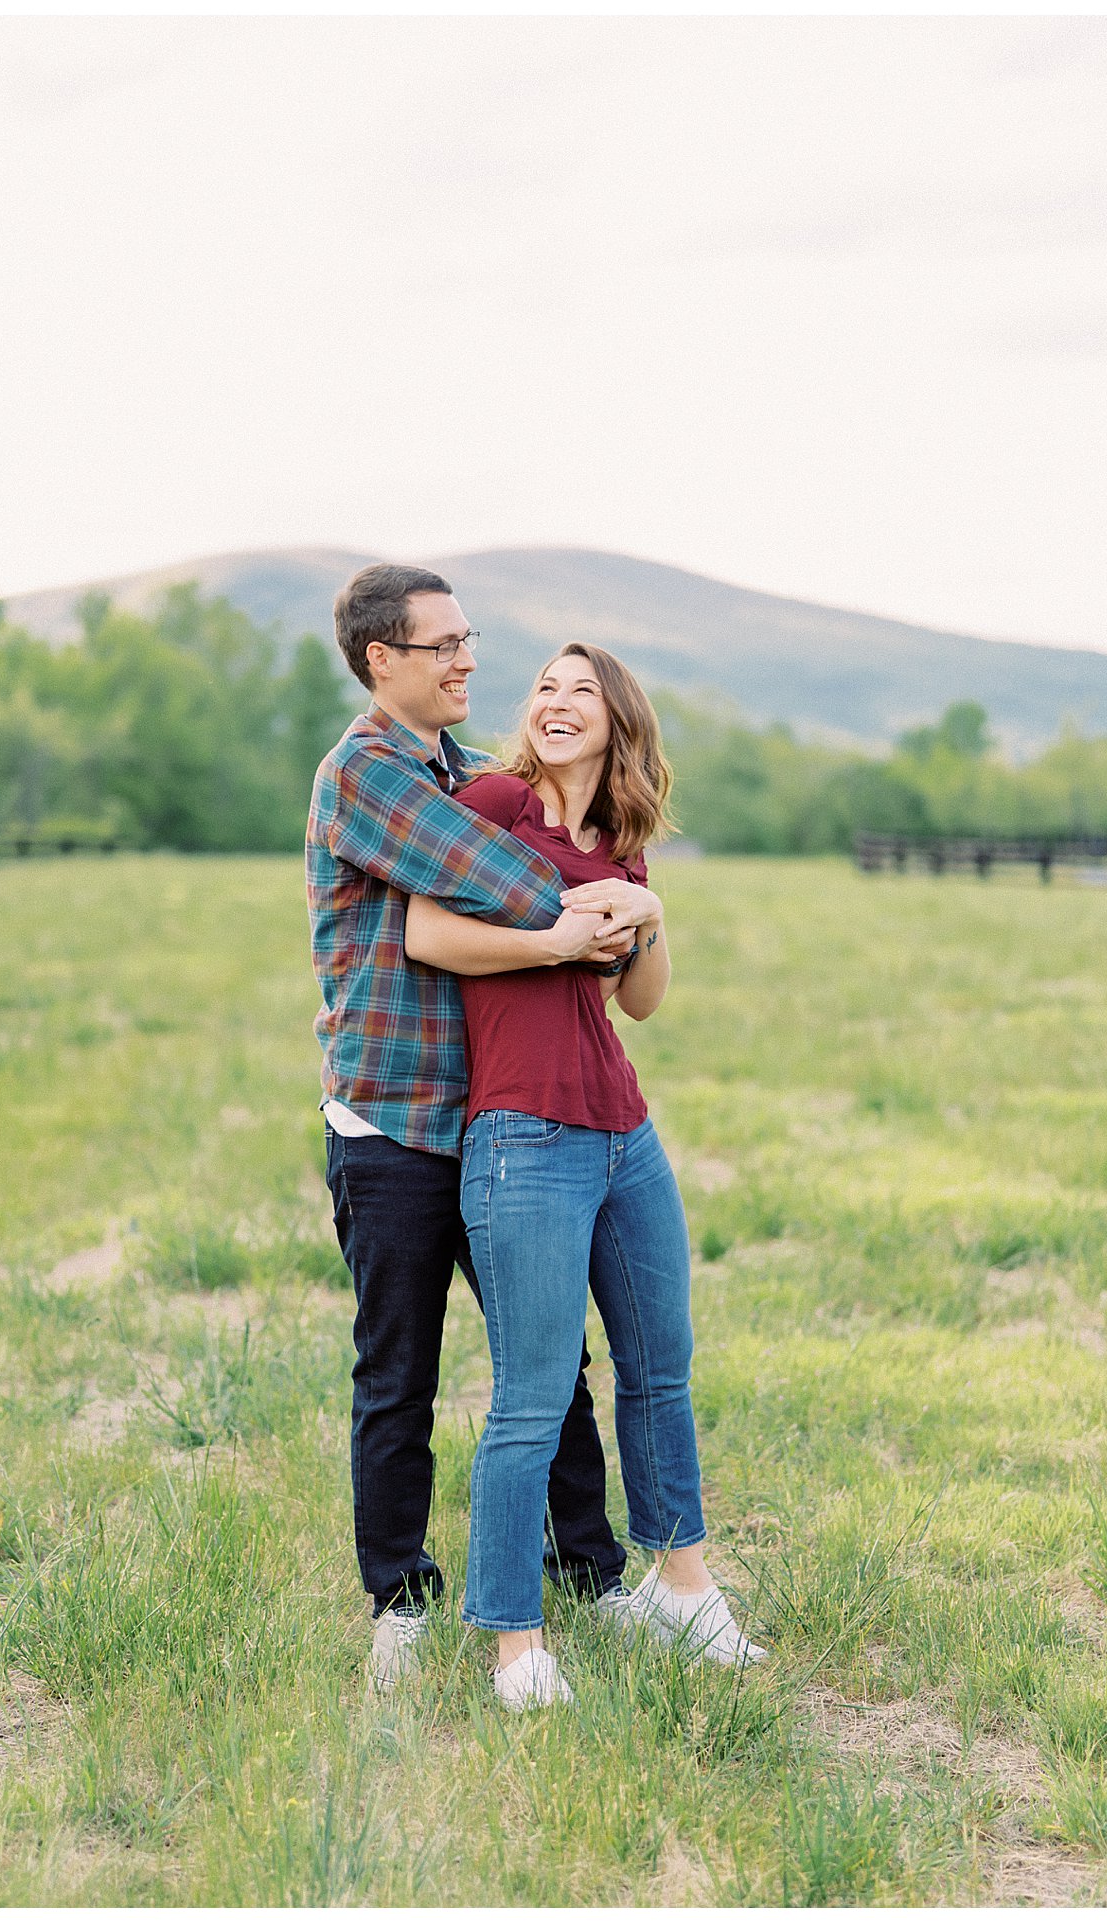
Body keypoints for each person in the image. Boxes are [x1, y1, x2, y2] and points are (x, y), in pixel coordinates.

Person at [306, 564, 651, 1693]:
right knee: (399, 1371)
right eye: (442, 644)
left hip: (502, 1125)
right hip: (396, 1125)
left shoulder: (466, 769)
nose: (466, 660)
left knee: (554, 1363)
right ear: (380, 662)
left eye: (468, 639)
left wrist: (617, 897)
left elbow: (554, 854)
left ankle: (590, 1573)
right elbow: (502, 876)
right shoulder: (367, 774)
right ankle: (400, 1599)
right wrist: (610, 904)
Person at [405, 643, 769, 1709]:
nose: (558, 704)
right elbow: (428, 932)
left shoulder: (617, 839)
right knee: (531, 1397)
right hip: (522, 1138)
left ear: (617, 723)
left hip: (623, 1132)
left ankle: (683, 1589)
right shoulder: (491, 802)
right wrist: (563, 939)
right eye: (546, 689)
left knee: (661, 1366)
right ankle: (515, 1648)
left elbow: (641, 1002)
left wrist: (645, 918)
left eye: (583, 692)